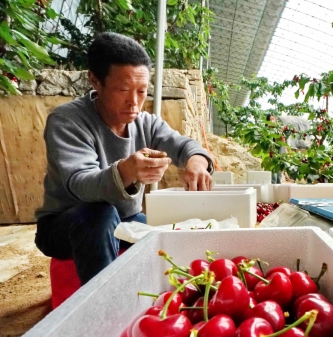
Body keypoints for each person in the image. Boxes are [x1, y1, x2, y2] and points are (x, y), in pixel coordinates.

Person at [34, 32, 213, 285]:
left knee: (167, 232)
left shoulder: (146, 123)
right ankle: (105, 306)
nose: (134, 102)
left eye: (142, 91)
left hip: (124, 218)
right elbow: (79, 183)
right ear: (95, 81)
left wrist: (196, 160)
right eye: (123, 90)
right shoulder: (67, 120)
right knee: (100, 215)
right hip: (64, 224)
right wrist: (127, 172)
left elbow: (183, 144)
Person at [266, 114, 312, 184]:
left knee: (278, 175)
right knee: (273, 176)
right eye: (271, 119)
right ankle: (273, 188)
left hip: (280, 156)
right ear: (268, 121)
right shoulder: (267, 131)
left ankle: (278, 188)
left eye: (273, 119)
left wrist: (287, 151)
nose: (272, 121)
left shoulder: (279, 129)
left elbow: (284, 142)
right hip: (272, 156)